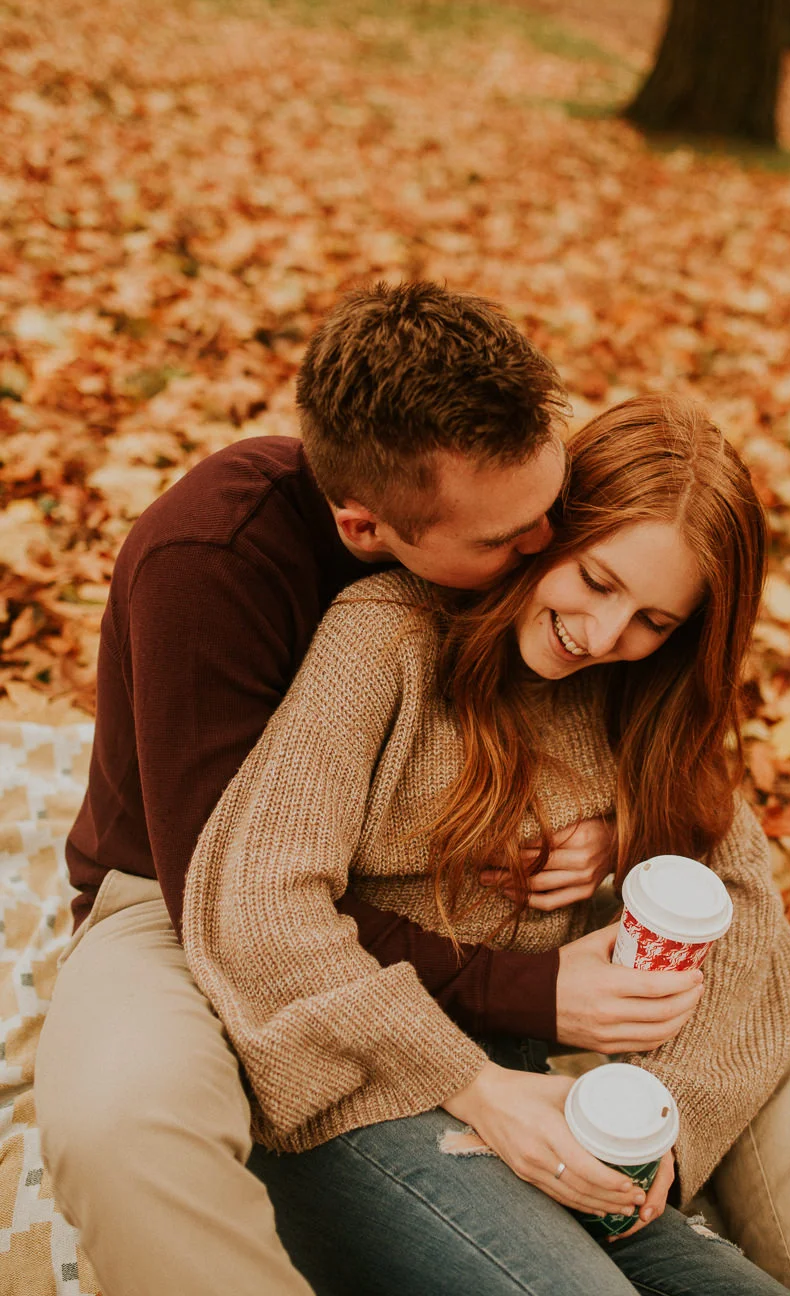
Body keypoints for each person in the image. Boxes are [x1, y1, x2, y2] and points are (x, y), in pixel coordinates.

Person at [36, 284, 708, 1296]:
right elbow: (236, 901)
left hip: (410, 897)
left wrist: (614, 831)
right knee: (122, 1122)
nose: (541, 551)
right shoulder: (211, 561)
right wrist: (516, 996)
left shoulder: (503, 516)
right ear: (363, 527)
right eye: (502, 540)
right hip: (181, 897)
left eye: (548, 512)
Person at [182, 395, 790, 1296]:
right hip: (351, 1088)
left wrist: (662, 1127)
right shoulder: (385, 635)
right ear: (544, 532)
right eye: (595, 581)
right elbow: (257, 899)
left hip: (543, 1100)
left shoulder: (640, 702)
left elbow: (745, 911)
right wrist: (469, 1082)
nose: (603, 636)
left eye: (652, 620)